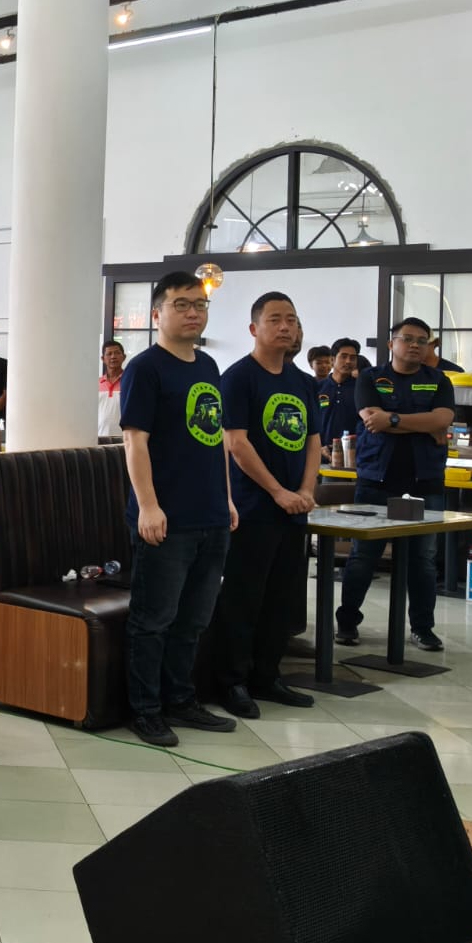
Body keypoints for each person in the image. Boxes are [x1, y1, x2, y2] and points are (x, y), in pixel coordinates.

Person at [118, 271, 239, 748]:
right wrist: (148, 506)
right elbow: (135, 442)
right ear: (157, 314)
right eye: (182, 305)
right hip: (166, 517)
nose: (193, 313)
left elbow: (216, 440)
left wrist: (226, 498)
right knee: (153, 620)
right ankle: (145, 710)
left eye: (200, 305)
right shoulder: (145, 368)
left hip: (211, 514)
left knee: (194, 620)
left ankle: (181, 699)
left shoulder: (208, 366)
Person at [211, 293, 321, 720]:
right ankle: (231, 682)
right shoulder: (239, 378)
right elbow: (236, 443)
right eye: (275, 319)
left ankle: (267, 676)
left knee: (282, 597)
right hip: (253, 507)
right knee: (243, 597)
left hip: (294, 508)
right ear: (254, 328)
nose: (285, 326)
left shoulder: (303, 382)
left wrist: (306, 489)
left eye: (291, 319)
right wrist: (278, 491)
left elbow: (313, 440)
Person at [336, 317, 456, 651]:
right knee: (363, 556)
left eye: (422, 340)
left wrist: (391, 419)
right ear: (392, 344)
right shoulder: (370, 378)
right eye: (408, 338)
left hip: (424, 482)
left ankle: (423, 628)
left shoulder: (439, 381)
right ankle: (347, 622)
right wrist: (422, 424)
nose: (415, 345)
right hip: (377, 480)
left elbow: (443, 419)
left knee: (423, 559)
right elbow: (370, 419)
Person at [318, 338, 361, 446]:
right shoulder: (317, 387)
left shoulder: (361, 389)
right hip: (320, 450)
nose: (348, 361)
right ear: (332, 360)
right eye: (343, 356)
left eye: (353, 358)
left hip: (353, 451)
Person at [99, 340, 126, 441]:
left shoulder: (131, 382)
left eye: (117, 353)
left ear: (124, 357)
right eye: (109, 354)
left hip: (125, 439)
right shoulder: (95, 385)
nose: (113, 357)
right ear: (103, 358)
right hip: (98, 438)